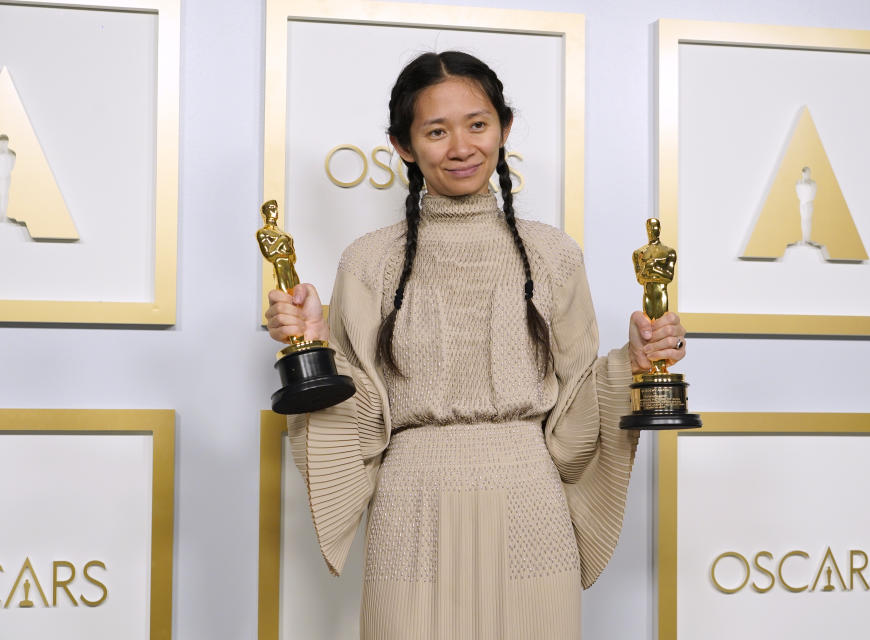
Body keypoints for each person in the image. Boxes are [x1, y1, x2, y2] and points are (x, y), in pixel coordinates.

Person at [265, 51, 687, 639]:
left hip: (530, 509)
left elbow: (575, 410)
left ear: (504, 129)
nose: (461, 147)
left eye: (477, 124)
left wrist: (636, 365)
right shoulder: (368, 261)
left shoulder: (554, 254)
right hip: (412, 512)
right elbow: (357, 415)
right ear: (404, 145)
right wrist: (312, 343)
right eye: (436, 131)